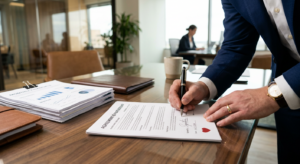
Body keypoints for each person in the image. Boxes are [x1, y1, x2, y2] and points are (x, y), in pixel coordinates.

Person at [169, 0, 300, 163]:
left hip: (286, 87)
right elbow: (237, 45)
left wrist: (271, 94)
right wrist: (203, 85)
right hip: (289, 99)